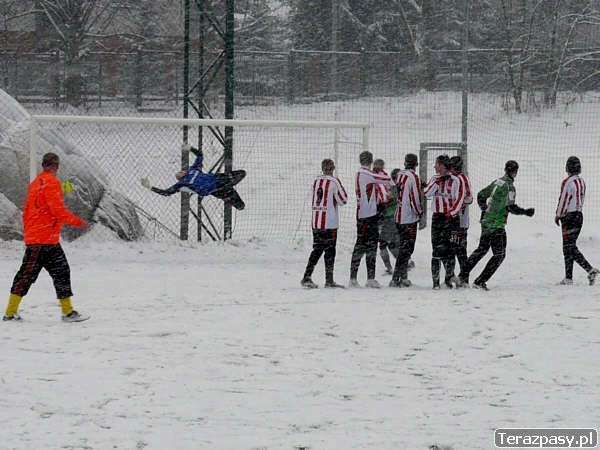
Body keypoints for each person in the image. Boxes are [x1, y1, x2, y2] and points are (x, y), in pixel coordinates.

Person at [4, 152, 89, 322]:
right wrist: (79, 222)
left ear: (43, 165)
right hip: (43, 239)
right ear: (56, 166)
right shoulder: (52, 183)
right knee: (30, 275)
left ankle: (67, 311)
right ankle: (10, 313)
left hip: (42, 238)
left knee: (57, 272)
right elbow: (57, 210)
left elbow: (35, 205)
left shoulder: (37, 183)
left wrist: (65, 188)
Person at [457, 160, 535, 290]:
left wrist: (484, 208)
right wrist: (525, 212)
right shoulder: (510, 187)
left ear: (505, 169)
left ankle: (462, 276)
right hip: (497, 225)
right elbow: (510, 207)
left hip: (486, 222)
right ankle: (480, 281)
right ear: (515, 172)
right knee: (499, 255)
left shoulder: (497, 182)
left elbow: (481, 195)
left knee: (481, 250)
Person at [145, 144, 246, 210]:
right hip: (214, 190)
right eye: (178, 175)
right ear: (179, 179)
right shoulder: (181, 184)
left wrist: (190, 148)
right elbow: (166, 192)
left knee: (242, 173)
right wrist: (150, 187)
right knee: (241, 206)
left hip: (218, 179)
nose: (179, 172)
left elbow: (200, 155)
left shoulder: (194, 169)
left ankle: (228, 190)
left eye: (180, 171)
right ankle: (228, 195)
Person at [349, 151, 394, 288]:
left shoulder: (360, 173)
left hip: (363, 215)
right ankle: (364, 278)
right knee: (368, 246)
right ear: (371, 161)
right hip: (368, 216)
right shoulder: (366, 174)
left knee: (363, 246)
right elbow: (387, 181)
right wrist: (382, 172)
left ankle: (358, 277)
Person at [301, 159, 348, 288]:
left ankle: (308, 276)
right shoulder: (334, 181)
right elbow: (343, 200)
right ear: (333, 168)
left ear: (322, 168)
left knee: (317, 249)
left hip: (316, 221)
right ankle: (328, 279)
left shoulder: (316, 181)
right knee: (330, 251)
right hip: (329, 223)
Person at [555, 156, 599, 285]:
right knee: (570, 247)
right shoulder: (582, 181)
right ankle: (570, 277)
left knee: (568, 248)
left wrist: (558, 215)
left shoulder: (567, 182)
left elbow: (564, 199)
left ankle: (588, 270)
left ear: (567, 167)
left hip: (569, 217)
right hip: (579, 216)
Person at [424, 154, 465, 289]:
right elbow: (427, 193)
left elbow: (459, 199)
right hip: (437, 218)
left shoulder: (456, 180)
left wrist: (451, 213)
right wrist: (438, 181)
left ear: (442, 166)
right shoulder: (435, 179)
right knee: (436, 251)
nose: (434, 166)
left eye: (436, 164)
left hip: (451, 219)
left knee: (450, 250)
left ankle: (448, 280)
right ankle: (435, 283)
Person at [390, 153, 423, 287]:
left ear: (405, 163)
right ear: (416, 164)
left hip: (398, 215)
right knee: (407, 249)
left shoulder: (400, 175)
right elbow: (414, 197)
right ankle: (396, 278)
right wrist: (419, 212)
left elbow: (397, 192)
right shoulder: (413, 176)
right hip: (408, 217)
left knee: (404, 247)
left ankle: (402, 277)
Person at [449, 155, 473, 279]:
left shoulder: (462, 179)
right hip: (455, 220)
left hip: (460, 221)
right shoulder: (455, 178)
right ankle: (457, 276)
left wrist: (459, 205)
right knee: (456, 249)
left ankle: (464, 277)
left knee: (460, 250)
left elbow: (469, 197)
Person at [373, 159, 397, 275]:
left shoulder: (377, 179)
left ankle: (394, 267)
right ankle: (402, 263)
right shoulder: (387, 179)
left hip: (385, 216)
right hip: (387, 216)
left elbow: (386, 198)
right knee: (391, 243)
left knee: (384, 244)